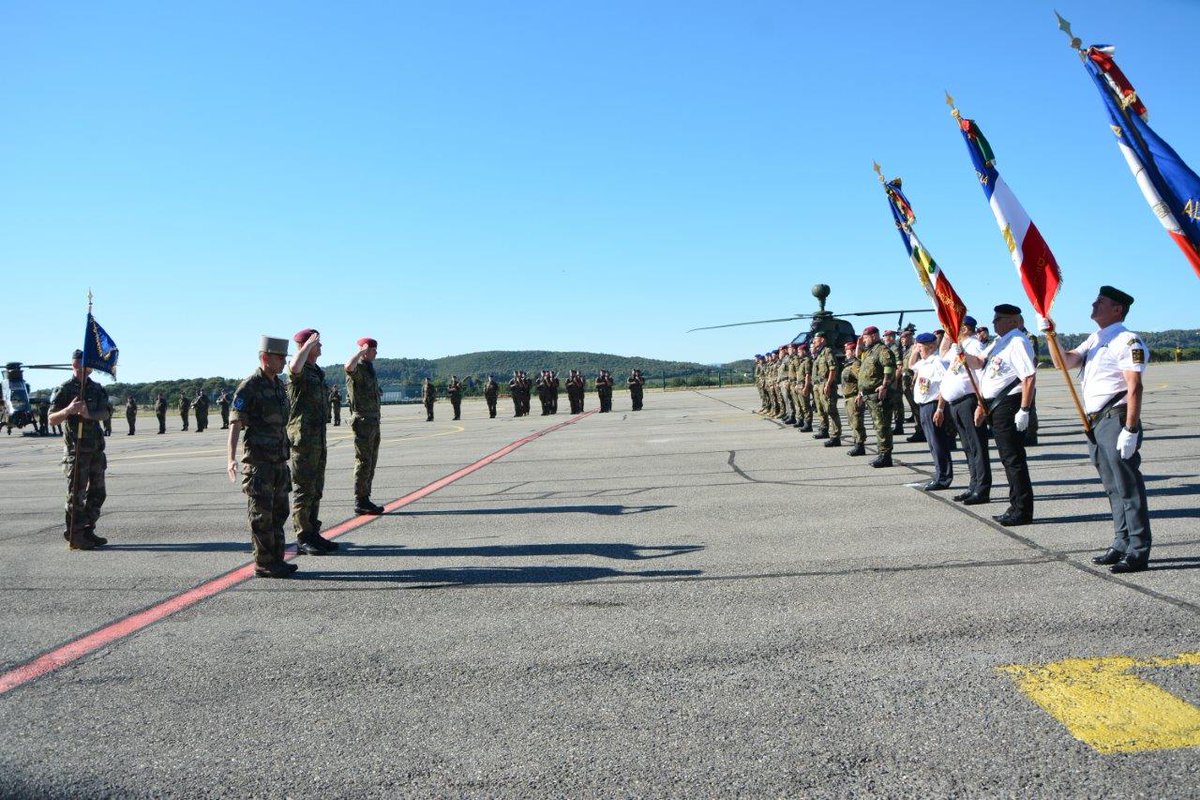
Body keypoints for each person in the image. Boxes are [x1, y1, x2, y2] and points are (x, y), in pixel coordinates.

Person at [1045, 286, 1151, 573]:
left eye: (1100, 302)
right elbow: (1063, 363)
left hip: (1115, 419)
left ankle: (1138, 550)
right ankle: (1121, 542)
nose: (1093, 304)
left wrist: (1130, 428)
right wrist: (1050, 335)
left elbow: (1135, 386)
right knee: (1112, 487)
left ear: (1117, 309)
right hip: (1094, 421)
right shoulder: (1096, 338)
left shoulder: (1127, 340)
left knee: (1128, 487)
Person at [227, 336, 298, 578]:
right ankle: (264, 563)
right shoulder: (250, 386)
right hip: (259, 464)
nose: (283, 363)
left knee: (279, 513)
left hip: (279, 460)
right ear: (266, 358)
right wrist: (231, 458)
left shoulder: (279, 385)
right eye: (280, 358)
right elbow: (235, 423)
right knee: (261, 515)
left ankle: (277, 559)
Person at [965, 304, 1037, 526]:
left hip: (1009, 405)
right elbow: (978, 364)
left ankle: (1022, 510)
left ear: (1013, 321)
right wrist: (962, 354)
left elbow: (1028, 377)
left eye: (998, 319)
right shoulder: (999, 342)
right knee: (1007, 459)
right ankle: (1015, 506)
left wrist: (1024, 410)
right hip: (994, 406)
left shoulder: (1017, 341)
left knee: (1013, 459)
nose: (994, 323)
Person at [48, 349, 112, 550]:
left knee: (98, 493)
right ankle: (75, 535)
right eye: (78, 365)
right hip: (76, 452)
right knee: (76, 495)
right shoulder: (64, 389)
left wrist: (88, 413)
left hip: (95, 450)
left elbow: (106, 413)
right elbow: (51, 419)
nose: (82, 369)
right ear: (73, 365)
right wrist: (68, 411)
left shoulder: (97, 389)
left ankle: (87, 529)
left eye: (85, 365)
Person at [288, 328, 337, 554]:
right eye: (317, 343)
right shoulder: (299, 369)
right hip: (303, 439)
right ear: (304, 346)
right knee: (303, 490)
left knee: (316, 489)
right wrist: (306, 346)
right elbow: (294, 367)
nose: (321, 346)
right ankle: (302, 537)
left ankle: (313, 533)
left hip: (317, 438)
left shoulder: (316, 371)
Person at [937, 316, 991, 506]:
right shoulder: (956, 347)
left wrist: (980, 404)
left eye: (955, 327)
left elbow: (981, 374)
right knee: (968, 447)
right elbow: (943, 353)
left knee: (977, 447)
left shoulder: (974, 346)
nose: (952, 331)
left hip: (969, 401)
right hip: (956, 403)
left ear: (966, 329)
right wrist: (946, 330)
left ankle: (982, 489)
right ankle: (973, 485)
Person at [346, 337, 385, 516]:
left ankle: (365, 498)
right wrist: (361, 351)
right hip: (363, 422)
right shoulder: (359, 367)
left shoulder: (370, 369)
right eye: (373, 350)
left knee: (371, 461)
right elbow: (348, 367)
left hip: (373, 422)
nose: (376, 353)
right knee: (364, 461)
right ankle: (360, 500)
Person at [911, 333, 952, 490]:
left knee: (938, 443)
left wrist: (941, 408)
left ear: (929, 347)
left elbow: (945, 385)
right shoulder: (924, 362)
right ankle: (939, 474)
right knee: (932, 444)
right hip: (923, 405)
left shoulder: (938, 362)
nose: (919, 350)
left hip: (933, 405)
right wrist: (915, 351)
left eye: (920, 347)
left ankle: (943, 478)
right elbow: (910, 365)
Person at [856, 326, 896, 467]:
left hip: (878, 394)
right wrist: (861, 392)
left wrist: (885, 385)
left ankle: (885, 456)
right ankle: (882, 453)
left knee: (882, 425)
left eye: (866, 337)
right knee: (878, 425)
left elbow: (889, 366)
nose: (864, 340)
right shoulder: (869, 352)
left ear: (873, 336)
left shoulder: (882, 350)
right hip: (868, 394)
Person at [810, 332, 841, 445]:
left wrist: (828, 384)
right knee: (820, 409)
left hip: (825, 384)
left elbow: (832, 369)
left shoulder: (828, 351)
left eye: (816, 339)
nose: (814, 341)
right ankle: (824, 430)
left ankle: (835, 436)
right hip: (818, 385)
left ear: (822, 340)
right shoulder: (819, 353)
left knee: (831, 410)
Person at [841, 339, 866, 456]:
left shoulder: (856, 364)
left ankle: (860, 445)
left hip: (854, 396)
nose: (845, 353)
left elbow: (861, 379)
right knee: (852, 422)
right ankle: (856, 442)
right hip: (848, 397)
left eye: (847, 351)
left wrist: (860, 394)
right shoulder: (849, 364)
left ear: (852, 351)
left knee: (857, 422)